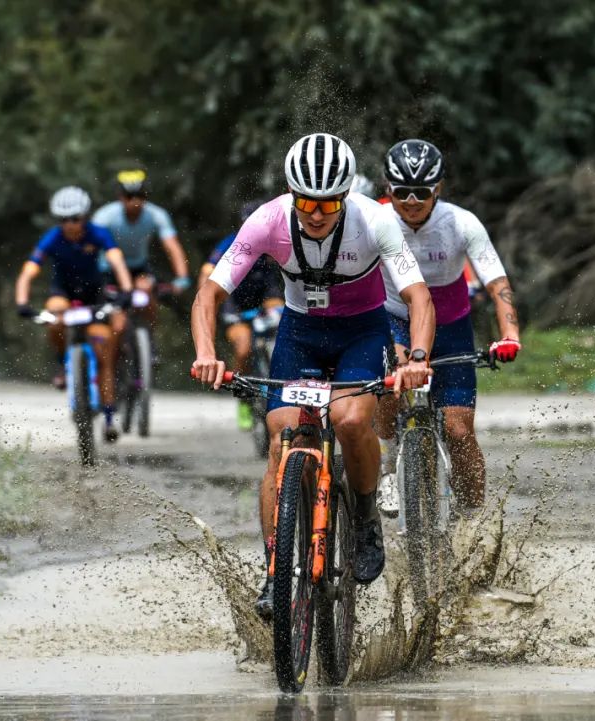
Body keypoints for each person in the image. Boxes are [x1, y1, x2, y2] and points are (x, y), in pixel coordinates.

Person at [191, 133, 435, 617]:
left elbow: (418, 297)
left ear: (346, 196)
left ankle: (365, 518)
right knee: (281, 439)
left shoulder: (376, 219)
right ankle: (274, 573)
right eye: (306, 201)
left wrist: (418, 357)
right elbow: (209, 294)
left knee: (348, 421)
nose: (316, 213)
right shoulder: (267, 221)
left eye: (328, 203)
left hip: (361, 333)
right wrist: (206, 352)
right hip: (300, 333)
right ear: (290, 194)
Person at [375, 139, 521, 515]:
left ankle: (472, 520)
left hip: (451, 327)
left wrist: (510, 335)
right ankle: (389, 467)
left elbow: (496, 282)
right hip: (395, 319)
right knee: (391, 391)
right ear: (387, 187)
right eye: (400, 191)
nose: (410, 200)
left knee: (459, 431)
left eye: (421, 192)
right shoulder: (375, 222)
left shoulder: (461, 222)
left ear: (438, 188)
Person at [14, 186, 135, 442]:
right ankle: (62, 362)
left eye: (75, 219)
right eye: (64, 220)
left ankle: (110, 416)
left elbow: (116, 261)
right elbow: (29, 271)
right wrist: (22, 302)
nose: (70, 225)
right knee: (54, 315)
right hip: (64, 294)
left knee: (104, 353)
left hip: (96, 295)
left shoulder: (99, 234)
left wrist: (126, 290)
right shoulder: (52, 238)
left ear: (85, 216)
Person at [197, 199, 285, 431]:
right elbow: (207, 273)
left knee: (280, 329)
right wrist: (205, 299)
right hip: (233, 301)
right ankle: (244, 397)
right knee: (243, 347)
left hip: (265, 295)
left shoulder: (275, 241)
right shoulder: (230, 243)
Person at [93, 169, 192, 335]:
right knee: (118, 324)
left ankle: (149, 340)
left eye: (140, 195)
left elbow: (172, 247)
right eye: (129, 196)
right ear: (120, 196)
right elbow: (91, 249)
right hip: (109, 271)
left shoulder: (156, 215)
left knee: (146, 290)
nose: (135, 201)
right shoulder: (104, 217)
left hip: (138, 267)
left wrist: (182, 278)